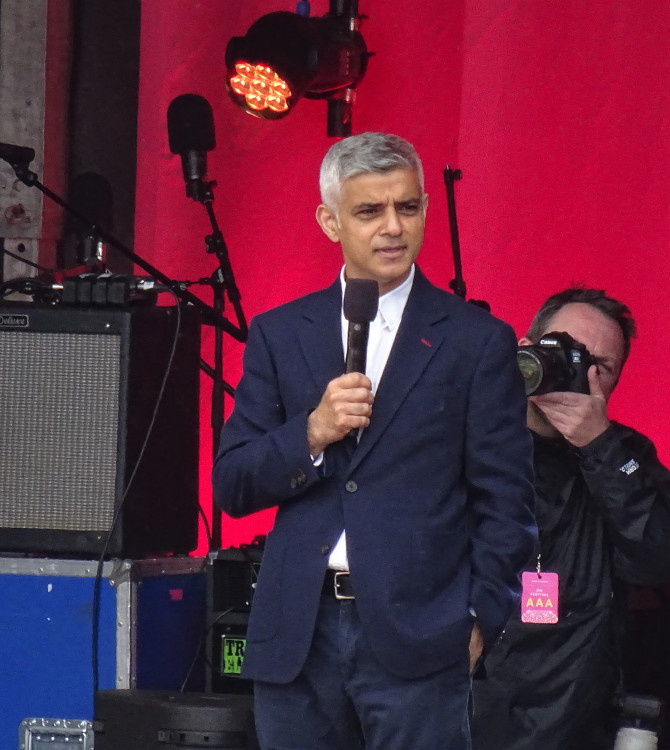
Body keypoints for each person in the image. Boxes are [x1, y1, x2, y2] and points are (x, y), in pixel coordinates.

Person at [213, 132, 537, 750]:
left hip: (422, 635)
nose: (393, 228)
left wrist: (478, 622)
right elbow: (232, 483)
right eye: (369, 211)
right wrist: (311, 431)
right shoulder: (281, 333)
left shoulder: (475, 340)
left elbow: (508, 503)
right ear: (329, 221)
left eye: (407, 208)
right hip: (298, 634)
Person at [471, 287, 670, 750]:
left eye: (600, 365)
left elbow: (667, 555)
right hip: (465, 708)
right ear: (525, 348)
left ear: (612, 384)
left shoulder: (622, 453)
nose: (577, 369)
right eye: (564, 349)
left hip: (569, 716)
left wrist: (598, 447)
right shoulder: (465, 433)